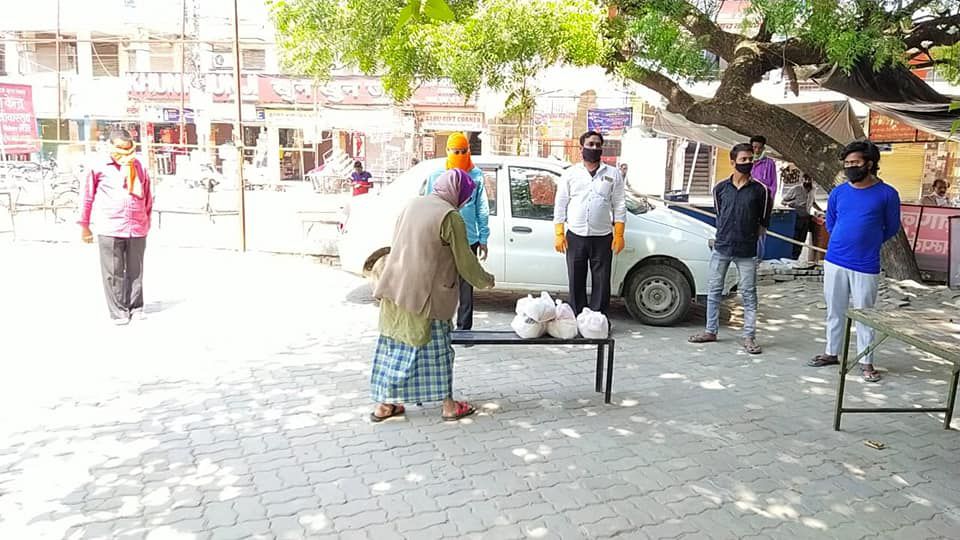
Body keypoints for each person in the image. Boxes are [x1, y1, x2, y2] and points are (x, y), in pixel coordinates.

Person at [369, 169, 495, 422]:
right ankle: (449, 406)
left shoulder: (413, 204)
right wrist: (485, 280)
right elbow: (465, 262)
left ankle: (384, 405)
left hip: (395, 287)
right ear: (458, 193)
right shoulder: (450, 217)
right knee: (438, 352)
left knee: (394, 346)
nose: (465, 200)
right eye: (466, 195)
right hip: (428, 297)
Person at [807, 140, 901, 383]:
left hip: (866, 263)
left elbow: (890, 227)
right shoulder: (838, 192)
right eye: (847, 163)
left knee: (865, 314)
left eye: (855, 163)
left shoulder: (887, 194)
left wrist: (869, 241)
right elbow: (831, 222)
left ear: (869, 164)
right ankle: (831, 352)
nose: (850, 167)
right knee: (834, 310)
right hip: (835, 260)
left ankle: (866, 360)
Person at [689, 143, 771, 354]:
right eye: (743, 160)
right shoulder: (720, 189)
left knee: (749, 293)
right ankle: (710, 331)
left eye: (750, 159)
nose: (747, 163)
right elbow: (720, 215)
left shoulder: (760, 191)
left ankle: (749, 336)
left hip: (747, 251)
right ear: (733, 162)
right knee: (714, 290)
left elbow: (763, 223)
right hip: (722, 246)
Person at [78, 129, 153, 325]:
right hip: (110, 226)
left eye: (129, 149)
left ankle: (136, 307)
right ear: (110, 146)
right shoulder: (98, 166)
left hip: (137, 226)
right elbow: (87, 197)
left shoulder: (139, 166)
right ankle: (118, 311)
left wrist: (147, 221)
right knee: (113, 272)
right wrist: (84, 225)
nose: (125, 153)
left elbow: (147, 196)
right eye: (120, 148)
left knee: (136, 271)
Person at [553, 130, 626, 317]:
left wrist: (619, 233)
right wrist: (559, 232)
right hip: (575, 236)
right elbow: (560, 203)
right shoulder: (570, 174)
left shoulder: (613, 174)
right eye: (590, 144)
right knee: (576, 279)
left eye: (597, 145)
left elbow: (619, 204)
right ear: (581, 149)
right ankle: (578, 317)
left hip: (602, 238)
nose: (594, 148)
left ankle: (598, 319)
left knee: (601, 281)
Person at [425, 132, 490, 331]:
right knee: (442, 282)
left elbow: (482, 208)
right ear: (448, 152)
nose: (460, 155)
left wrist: (483, 237)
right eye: (456, 152)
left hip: (469, 237)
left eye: (464, 151)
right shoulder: (436, 176)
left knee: (466, 283)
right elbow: (430, 207)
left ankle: (464, 328)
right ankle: (442, 324)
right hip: (443, 238)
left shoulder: (476, 177)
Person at [781, 173, 823, 259]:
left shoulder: (813, 189)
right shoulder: (796, 189)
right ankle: (791, 257)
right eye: (805, 179)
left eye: (809, 179)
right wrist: (792, 204)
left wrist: (821, 211)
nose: (807, 181)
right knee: (794, 239)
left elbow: (813, 202)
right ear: (802, 180)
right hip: (796, 217)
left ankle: (796, 257)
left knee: (802, 240)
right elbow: (783, 201)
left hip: (806, 218)